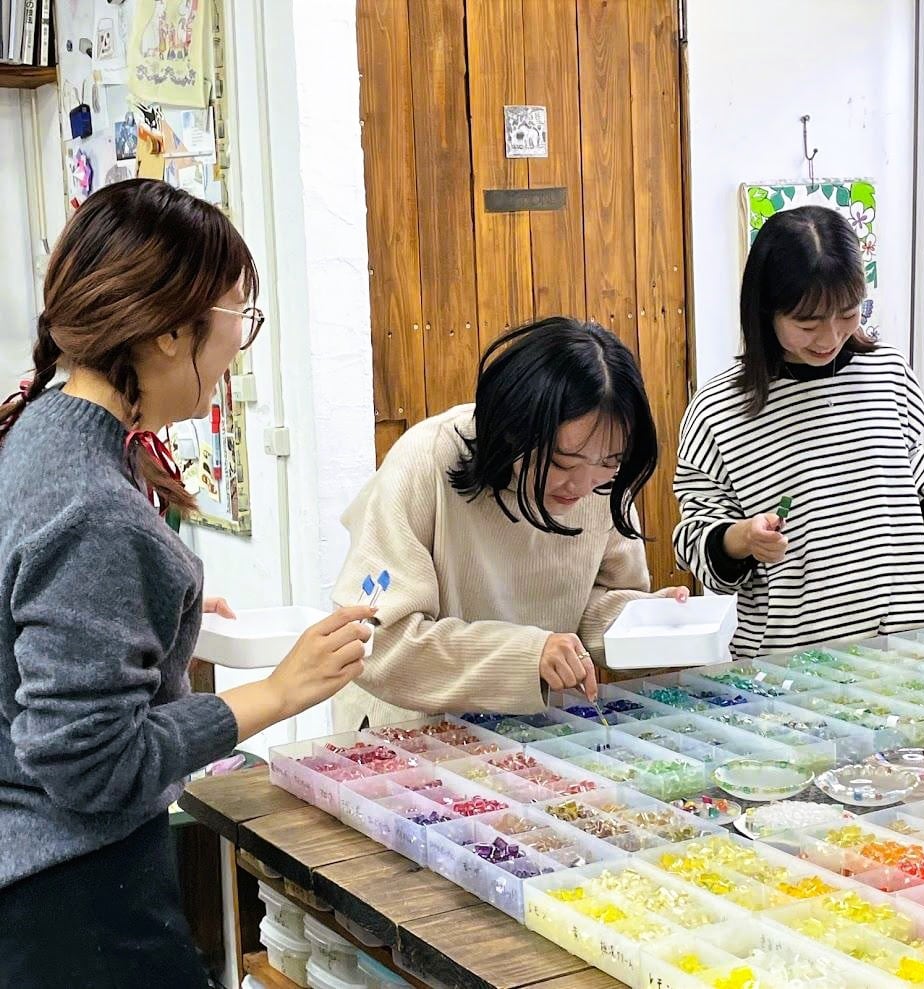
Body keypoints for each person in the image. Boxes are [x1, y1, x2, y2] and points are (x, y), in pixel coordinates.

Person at [0, 179, 373, 988]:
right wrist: (275, 692)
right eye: (239, 314)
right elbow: (90, 766)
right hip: (73, 903)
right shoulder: (95, 509)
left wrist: (161, 623)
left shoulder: (41, 427)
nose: (242, 341)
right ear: (170, 331)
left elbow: (43, 630)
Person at [331, 317, 689, 731]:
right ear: (511, 431)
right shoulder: (426, 460)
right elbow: (374, 641)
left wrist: (645, 623)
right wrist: (528, 655)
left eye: (610, 461)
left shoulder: (601, 482)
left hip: (537, 731)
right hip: (410, 734)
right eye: (562, 463)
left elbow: (590, 603)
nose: (583, 485)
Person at [673, 205, 924, 658]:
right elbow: (693, 544)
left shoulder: (889, 374)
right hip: (793, 667)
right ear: (766, 312)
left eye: (848, 314)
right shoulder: (719, 410)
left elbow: (914, 499)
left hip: (910, 650)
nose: (830, 337)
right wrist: (742, 538)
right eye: (807, 323)